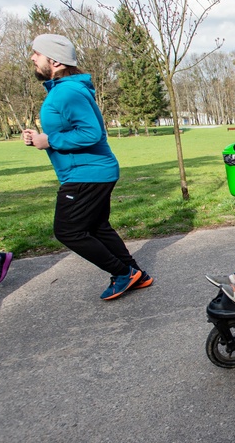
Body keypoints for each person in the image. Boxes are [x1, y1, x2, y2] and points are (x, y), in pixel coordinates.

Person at [22, 34, 152, 300]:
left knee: (68, 231)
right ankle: (136, 274)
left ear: (55, 61)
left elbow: (91, 133)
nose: (33, 58)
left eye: (37, 53)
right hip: (91, 171)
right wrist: (38, 138)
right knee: (96, 227)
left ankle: (124, 274)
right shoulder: (64, 90)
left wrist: (50, 140)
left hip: (86, 173)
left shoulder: (67, 92)